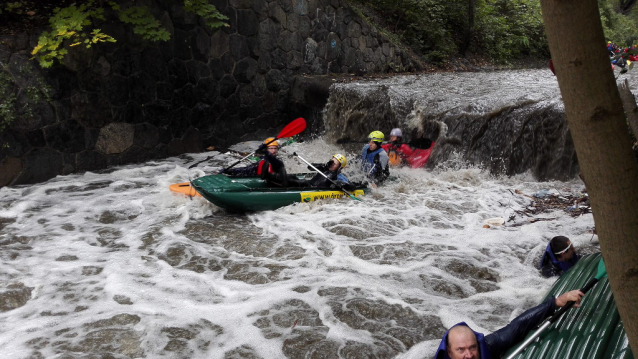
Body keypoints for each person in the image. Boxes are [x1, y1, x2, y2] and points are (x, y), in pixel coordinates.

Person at [434, 290, 585, 359]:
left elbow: (516, 327)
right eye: (460, 350)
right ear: (449, 352)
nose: (469, 355)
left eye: (472, 347)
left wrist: (556, 302)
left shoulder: (487, 346)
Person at [221, 138, 305, 187]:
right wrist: (228, 171)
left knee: (294, 176)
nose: (273, 151)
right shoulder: (263, 161)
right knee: (300, 182)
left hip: (277, 179)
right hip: (269, 182)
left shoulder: (278, 159)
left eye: (275, 148)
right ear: (267, 149)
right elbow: (245, 170)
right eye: (271, 148)